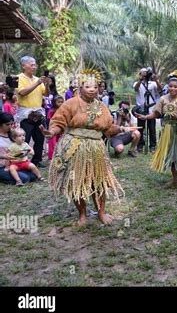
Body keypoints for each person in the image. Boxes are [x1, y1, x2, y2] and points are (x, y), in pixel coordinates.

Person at [40, 77, 140, 226]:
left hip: (96, 148)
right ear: (80, 88)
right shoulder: (70, 104)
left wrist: (122, 128)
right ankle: (82, 214)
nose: (92, 89)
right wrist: (52, 131)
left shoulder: (102, 107)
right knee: (77, 181)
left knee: (98, 181)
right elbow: (59, 122)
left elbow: (109, 128)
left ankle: (101, 212)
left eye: (95, 87)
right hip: (76, 147)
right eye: (88, 86)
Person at [137, 73, 177, 190]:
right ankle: (175, 178)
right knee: (170, 155)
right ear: (167, 86)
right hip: (167, 131)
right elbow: (156, 113)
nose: (172, 88)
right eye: (170, 86)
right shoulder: (163, 99)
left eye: (175, 87)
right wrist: (146, 117)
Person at [16, 56, 50, 168]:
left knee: (40, 138)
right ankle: (22, 161)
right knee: (24, 138)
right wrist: (37, 83)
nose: (34, 67)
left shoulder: (37, 79)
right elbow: (22, 93)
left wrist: (46, 84)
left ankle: (37, 160)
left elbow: (45, 94)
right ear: (23, 66)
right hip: (26, 114)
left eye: (35, 64)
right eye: (31, 64)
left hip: (39, 113)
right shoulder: (18, 78)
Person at [0, 112, 37, 185]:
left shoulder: (13, 134)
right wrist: (4, 156)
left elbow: (23, 146)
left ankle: (17, 176)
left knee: (33, 176)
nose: (10, 126)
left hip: (15, 164)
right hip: (2, 166)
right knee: (25, 178)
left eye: (11, 124)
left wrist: (26, 152)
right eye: (7, 124)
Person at [133, 68, 161, 152]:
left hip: (151, 108)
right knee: (141, 127)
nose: (145, 74)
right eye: (143, 72)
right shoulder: (137, 83)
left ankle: (152, 146)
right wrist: (140, 80)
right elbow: (136, 88)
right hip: (141, 108)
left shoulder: (152, 83)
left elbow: (160, 90)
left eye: (146, 72)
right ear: (140, 74)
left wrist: (156, 80)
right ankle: (140, 145)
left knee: (152, 128)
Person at [47, 96, 64, 160]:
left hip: (61, 128)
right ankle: (51, 157)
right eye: (58, 102)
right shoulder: (52, 111)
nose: (60, 103)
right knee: (52, 143)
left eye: (62, 102)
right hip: (53, 128)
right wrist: (50, 129)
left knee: (60, 141)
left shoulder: (64, 110)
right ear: (54, 103)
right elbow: (49, 120)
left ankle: (60, 155)